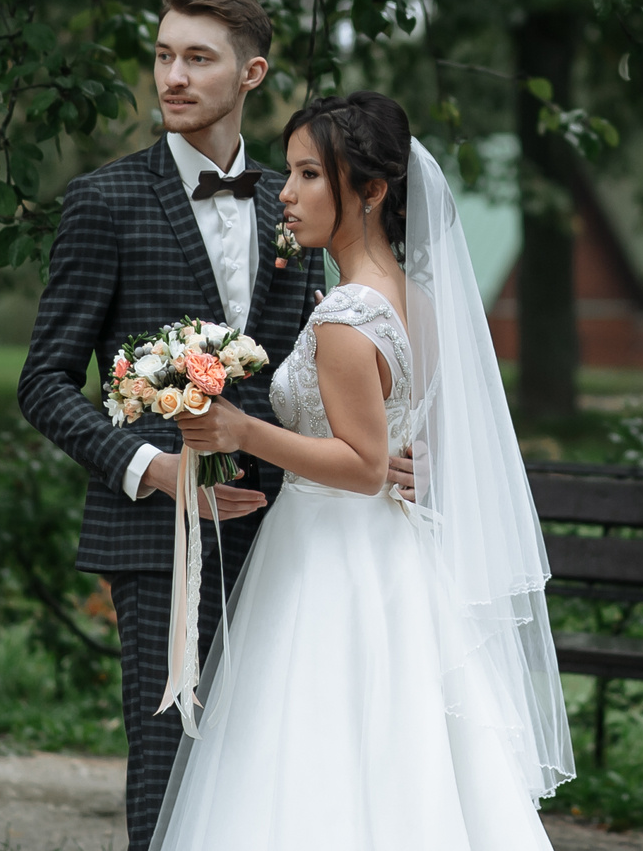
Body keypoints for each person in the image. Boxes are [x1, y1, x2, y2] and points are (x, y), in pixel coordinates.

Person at [18, 0, 411, 851]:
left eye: (198, 58)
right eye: (164, 55)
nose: (174, 76)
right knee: (171, 770)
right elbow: (42, 382)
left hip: (291, 540)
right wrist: (154, 469)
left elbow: (323, 365)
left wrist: (377, 452)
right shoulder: (104, 201)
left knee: (277, 777)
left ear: (251, 74)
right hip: (158, 536)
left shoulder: (296, 202)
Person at [158, 91, 574, 849]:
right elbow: (417, 439)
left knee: (309, 746)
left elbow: (363, 463)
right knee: (401, 751)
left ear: (373, 190)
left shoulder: (348, 316)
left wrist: (243, 428)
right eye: (290, 171)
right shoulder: (415, 299)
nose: (286, 193)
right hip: (396, 553)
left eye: (309, 174)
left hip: (330, 556)